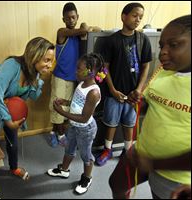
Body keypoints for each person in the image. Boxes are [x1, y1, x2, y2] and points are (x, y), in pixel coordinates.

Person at [109, 14, 191, 199]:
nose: (162, 51)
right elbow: (151, 106)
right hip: (143, 153)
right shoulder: (164, 71)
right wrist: (140, 102)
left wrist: (154, 164)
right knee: (117, 183)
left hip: (175, 173)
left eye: (174, 44)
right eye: (162, 45)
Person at [0, 37, 55, 180]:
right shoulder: (11, 65)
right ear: (34, 56)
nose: (50, 65)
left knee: (13, 140)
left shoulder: (34, 72)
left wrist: (38, 79)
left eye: (51, 61)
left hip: (10, 107)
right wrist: (7, 119)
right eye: (46, 60)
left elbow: (33, 96)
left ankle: (14, 167)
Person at [96, 2, 152, 166]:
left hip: (133, 94)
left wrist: (139, 89)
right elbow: (104, 68)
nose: (138, 20)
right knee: (111, 122)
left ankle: (127, 151)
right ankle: (107, 149)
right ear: (124, 16)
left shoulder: (143, 40)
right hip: (115, 93)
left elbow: (146, 66)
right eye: (135, 15)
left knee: (129, 123)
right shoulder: (112, 41)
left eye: (140, 17)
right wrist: (112, 90)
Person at [47, 53, 107, 194]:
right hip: (74, 125)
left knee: (86, 155)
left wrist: (61, 112)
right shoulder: (82, 83)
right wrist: (65, 102)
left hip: (85, 129)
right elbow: (77, 102)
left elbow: (84, 118)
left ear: (90, 71)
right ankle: (64, 170)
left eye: (79, 69)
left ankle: (87, 177)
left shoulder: (93, 93)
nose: (76, 71)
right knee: (69, 148)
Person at [48, 2, 101, 147]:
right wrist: (85, 27)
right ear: (63, 19)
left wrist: (88, 28)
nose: (71, 20)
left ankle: (56, 132)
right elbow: (82, 31)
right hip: (60, 77)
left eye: (73, 17)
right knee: (56, 105)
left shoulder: (80, 35)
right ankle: (57, 134)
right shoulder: (62, 32)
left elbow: (95, 30)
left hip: (73, 78)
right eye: (68, 18)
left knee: (66, 107)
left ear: (77, 17)